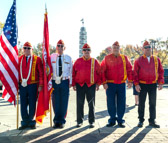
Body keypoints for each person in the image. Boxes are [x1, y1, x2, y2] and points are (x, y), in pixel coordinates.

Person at [101, 41, 133, 128]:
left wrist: (130, 81)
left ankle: (120, 120)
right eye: (114, 48)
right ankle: (112, 120)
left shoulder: (124, 58)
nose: (116, 49)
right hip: (110, 84)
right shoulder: (107, 58)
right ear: (112, 49)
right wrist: (104, 82)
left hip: (121, 84)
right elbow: (102, 71)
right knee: (110, 102)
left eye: (117, 48)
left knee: (121, 102)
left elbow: (129, 69)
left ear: (119, 49)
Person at [134, 41, 164, 128]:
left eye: (149, 47)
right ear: (143, 49)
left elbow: (160, 71)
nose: (148, 49)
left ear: (151, 48)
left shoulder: (156, 59)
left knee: (153, 103)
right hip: (142, 85)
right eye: (146, 47)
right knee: (141, 103)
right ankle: (140, 120)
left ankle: (152, 120)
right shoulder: (138, 60)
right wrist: (136, 84)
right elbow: (135, 73)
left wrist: (161, 82)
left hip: (152, 84)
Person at [72, 43, 101, 128]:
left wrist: (98, 84)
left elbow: (100, 73)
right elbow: (73, 73)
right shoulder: (78, 61)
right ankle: (79, 121)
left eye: (88, 50)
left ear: (90, 51)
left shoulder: (94, 61)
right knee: (80, 104)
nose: (86, 52)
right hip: (80, 85)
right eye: (84, 50)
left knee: (91, 104)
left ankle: (91, 121)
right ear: (82, 51)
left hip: (91, 85)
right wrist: (73, 84)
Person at [18, 42, 43, 130]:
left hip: (33, 85)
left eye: (29, 48)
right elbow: (16, 72)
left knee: (32, 103)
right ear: (23, 49)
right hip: (22, 85)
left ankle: (32, 121)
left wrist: (40, 85)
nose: (27, 50)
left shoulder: (37, 59)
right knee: (23, 104)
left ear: (32, 49)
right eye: (25, 48)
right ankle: (24, 122)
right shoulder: (19, 59)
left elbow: (41, 73)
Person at [51, 39, 72, 129]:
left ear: (64, 48)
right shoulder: (51, 57)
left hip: (64, 81)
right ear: (56, 47)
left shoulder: (68, 58)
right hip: (54, 81)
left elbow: (71, 71)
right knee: (55, 101)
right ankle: (56, 121)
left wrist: (70, 82)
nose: (60, 48)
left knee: (64, 102)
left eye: (61, 46)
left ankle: (62, 121)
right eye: (58, 46)